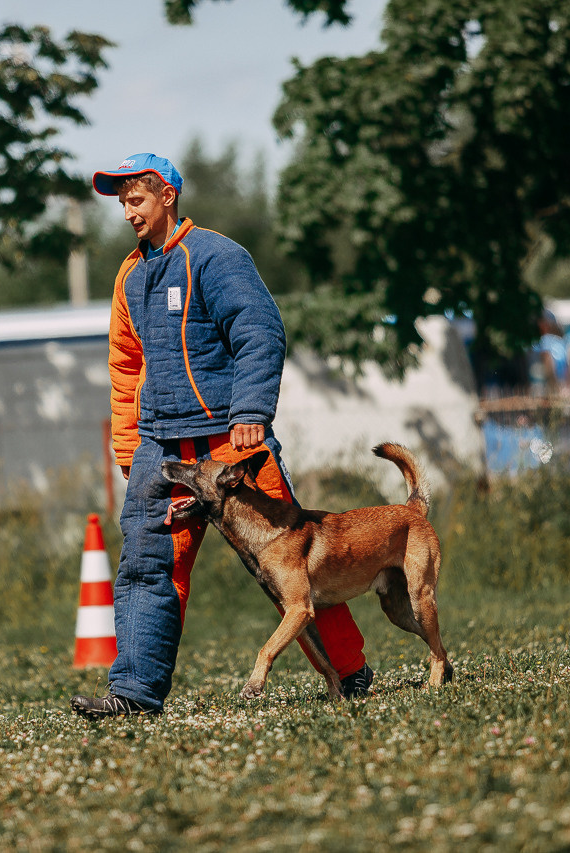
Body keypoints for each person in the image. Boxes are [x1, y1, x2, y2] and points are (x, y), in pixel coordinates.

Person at [70, 153, 373, 718]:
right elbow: (125, 365)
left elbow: (259, 330)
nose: (128, 212)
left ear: (167, 195)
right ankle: (134, 694)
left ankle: (350, 672)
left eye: (136, 199)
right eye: (122, 203)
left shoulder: (216, 256)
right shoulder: (129, 275)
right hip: (161, 444)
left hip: (231, 440)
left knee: (292, 564)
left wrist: (251, 409)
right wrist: (128, 446)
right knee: (145, 566)